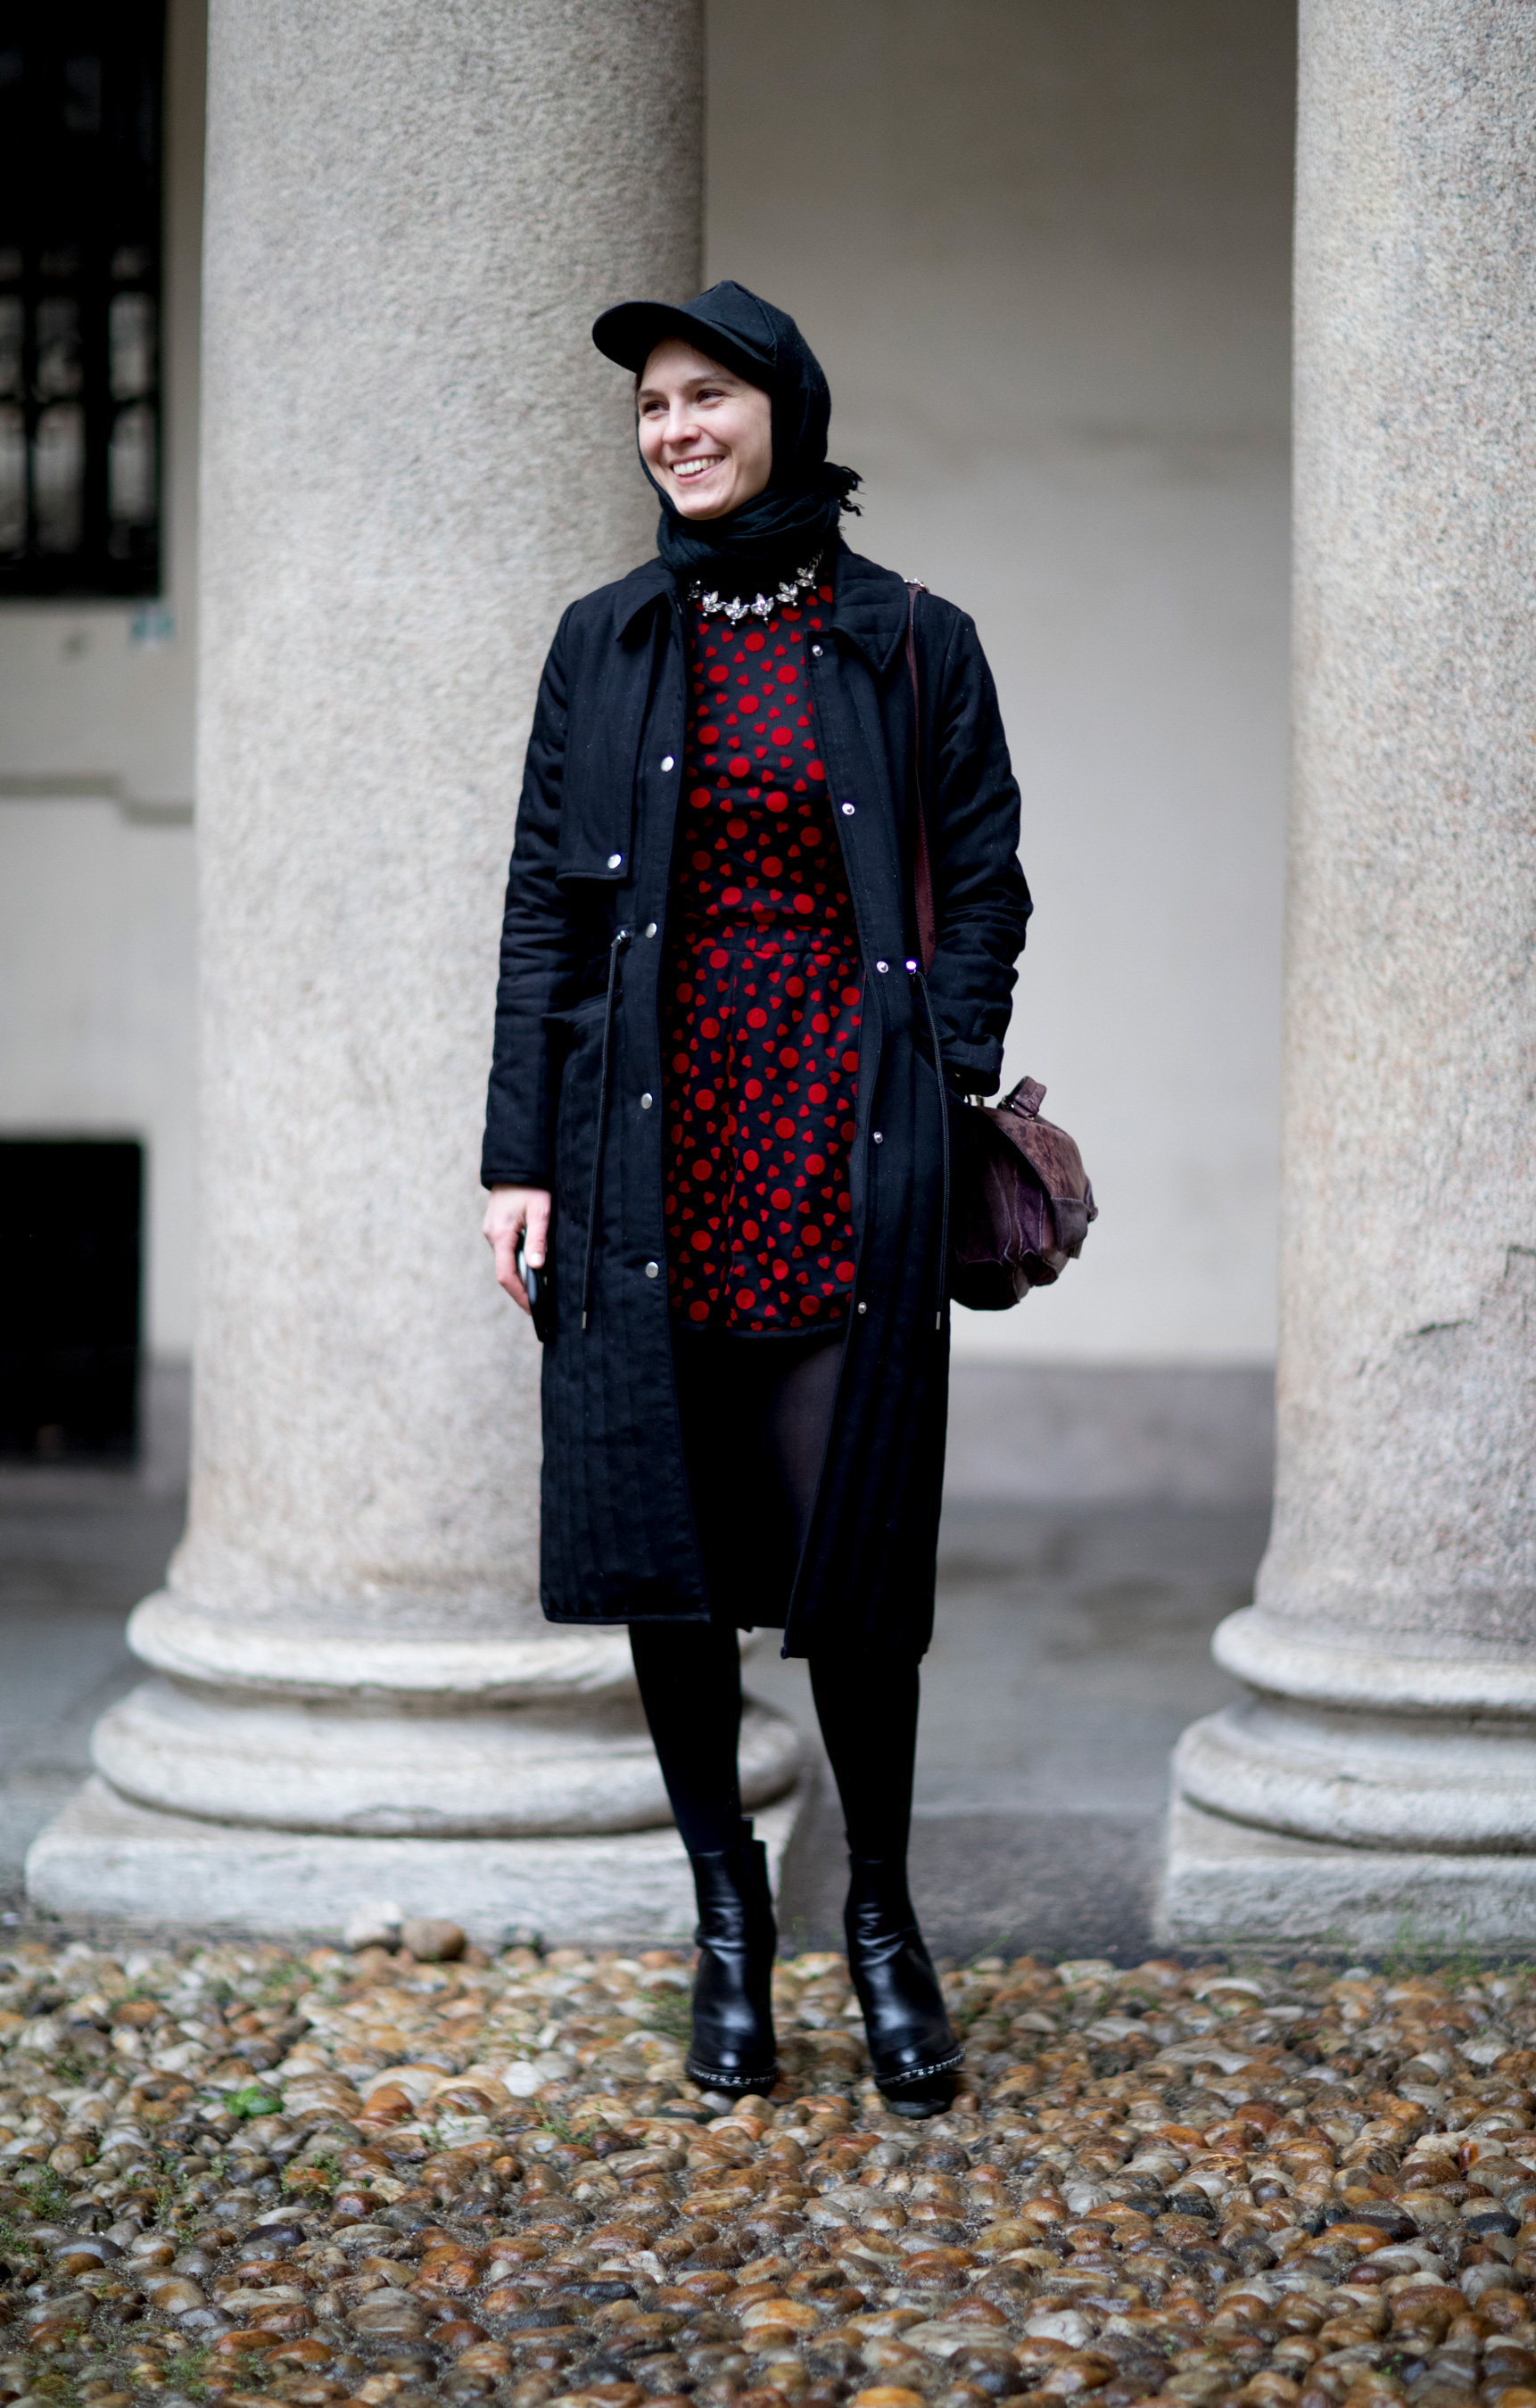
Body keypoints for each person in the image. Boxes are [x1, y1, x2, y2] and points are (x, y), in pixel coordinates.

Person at [482, 282, 1030, 2115]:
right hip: (646, 1145)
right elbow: (544, 913)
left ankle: (880, 1916)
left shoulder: (911, 638)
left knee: (853, 1565)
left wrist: (943, 1069)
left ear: (786, 408)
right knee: (675, 1548)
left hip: (844, 1139)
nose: (676, 430)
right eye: (653, 405)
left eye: (706, 394)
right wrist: (517, 1157)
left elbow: (986, 876)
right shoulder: (604, 640)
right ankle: (729, 1922)